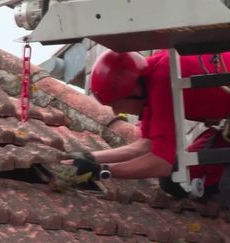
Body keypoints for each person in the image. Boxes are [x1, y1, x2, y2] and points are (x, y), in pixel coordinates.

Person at [61, 49, 230, 202]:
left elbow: (162, 163)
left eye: (115, 104)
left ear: (132, 92)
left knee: (224, 187)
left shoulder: (164, 77)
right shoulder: (150, 79)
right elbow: (145, 145)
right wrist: (88, 158)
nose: (114, 112)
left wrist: (102, 170)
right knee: (175, 180)